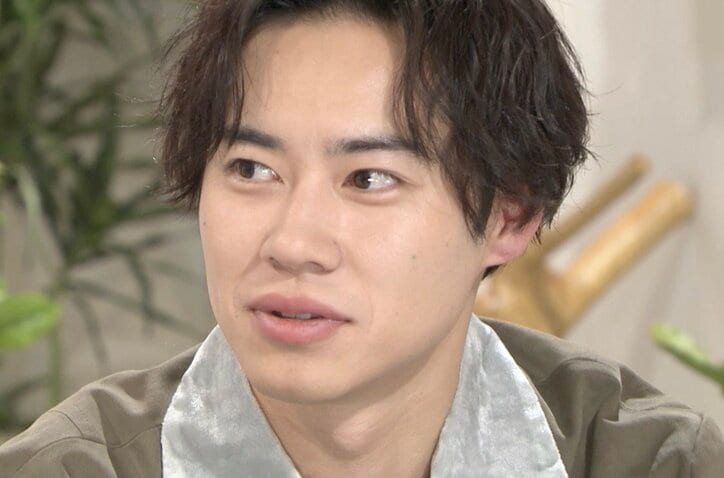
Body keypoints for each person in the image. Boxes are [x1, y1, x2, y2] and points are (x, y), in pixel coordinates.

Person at [2, 0, 723, 476]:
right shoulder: (68, 470)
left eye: (369, 178)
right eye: (252, 169)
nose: (293, 243)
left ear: (509, 216)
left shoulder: (654, 463)